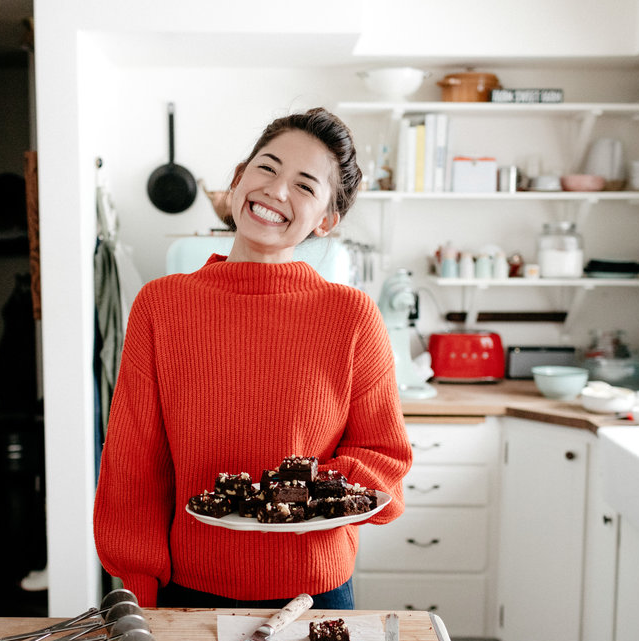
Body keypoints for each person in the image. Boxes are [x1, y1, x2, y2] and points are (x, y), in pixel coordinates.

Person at [93, 107, 412, 609]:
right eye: (267, 167)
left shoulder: (351, 315)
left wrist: (297, 498)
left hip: (314, 592)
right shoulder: (162, 304)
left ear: (327, 220)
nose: (276, 190)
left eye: (305, 186)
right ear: (239, 178)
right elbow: (134, 462)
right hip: (189, 589)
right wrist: (142, 587)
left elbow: (384, 455)